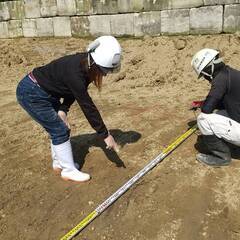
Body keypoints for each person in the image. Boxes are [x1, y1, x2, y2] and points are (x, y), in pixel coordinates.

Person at [16, 36, 122, 182]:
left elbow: (73, 89)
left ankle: (59, 163)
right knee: (59, 130)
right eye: (103, 70)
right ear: (94, 62)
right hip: (32, 93)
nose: (104, 74)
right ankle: (68, 170)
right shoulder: (77, 71)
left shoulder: (85, 64)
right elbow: (87, 105)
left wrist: (63, 109)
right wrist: (105, 135)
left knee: (58, 128)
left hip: (44, 91)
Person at [191, 48, 240, 167]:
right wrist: (203, 103)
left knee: (203, 119)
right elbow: (227, 102)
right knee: (219, 112)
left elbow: (207, 109)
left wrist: (204, 104)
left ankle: (221, 157)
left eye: (203, 74)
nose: (205, 77)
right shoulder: (231, 73)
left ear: (209, 69)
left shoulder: (219, 80)